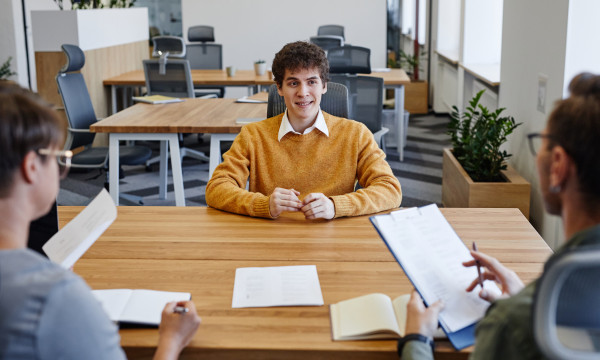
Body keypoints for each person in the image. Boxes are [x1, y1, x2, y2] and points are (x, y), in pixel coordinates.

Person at [399, 72, 600, 359]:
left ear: (559, 166)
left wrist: (416, 339)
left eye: (540, 140)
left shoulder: (514, 325)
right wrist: (521, 296)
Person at [0, 82, 201, 360]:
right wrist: (171, 340)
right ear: (32, 168)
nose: (62, 170)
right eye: (60, 158)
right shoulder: (53, 297)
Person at [206, 41, 402, 220]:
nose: (303, 92)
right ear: (279, 88)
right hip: (272, 238)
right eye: (293, 83)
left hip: (334, 238)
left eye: (311, 82)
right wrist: (263, 204)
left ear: (324, 85)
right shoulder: (253, 135)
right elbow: (216, 188)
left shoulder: (355, 134)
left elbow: (390, 189)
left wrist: (336, 205)